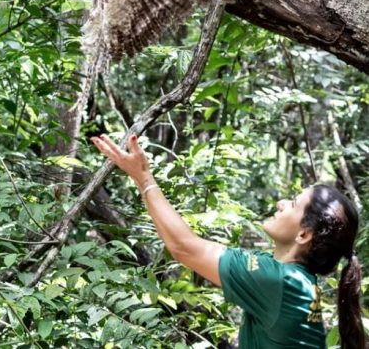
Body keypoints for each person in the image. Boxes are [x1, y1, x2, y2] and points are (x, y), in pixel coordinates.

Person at [91, 134, 366, 349]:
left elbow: (184, 246)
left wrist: (143, 177)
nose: (281, 203)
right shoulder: (293, 280)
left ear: (303, 235)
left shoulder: (281, 282)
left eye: (293, 204)